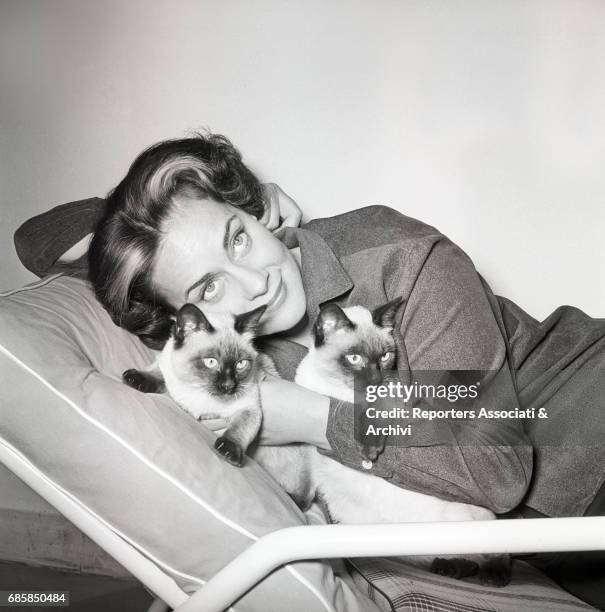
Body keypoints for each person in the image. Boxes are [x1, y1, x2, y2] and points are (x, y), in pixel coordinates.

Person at [13, 132, 605, 607]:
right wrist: (152, 227)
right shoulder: (240, 350)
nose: (256, 284)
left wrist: (316, 420)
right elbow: (35, 242)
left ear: (256, 211)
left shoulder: (403, 259)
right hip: (545, 546)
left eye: (238, 239)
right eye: (208, 285)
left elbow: (498, 470)